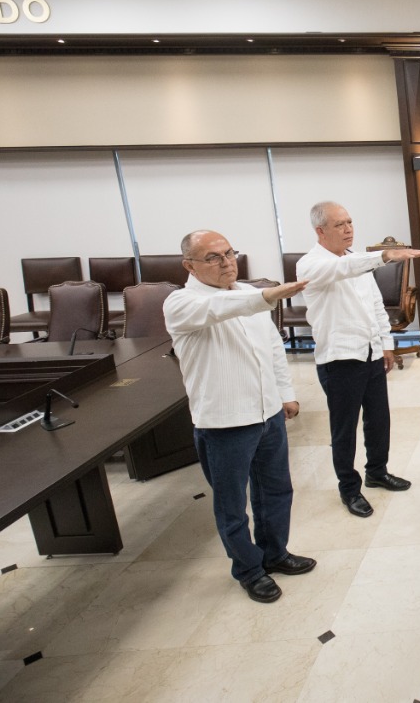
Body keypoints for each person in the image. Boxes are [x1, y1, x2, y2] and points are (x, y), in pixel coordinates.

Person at [164, 230, 315, 603]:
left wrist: (285, 394)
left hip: (267, 413)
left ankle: (275, 553)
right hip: (224, 423)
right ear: (189, 266)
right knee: (232, 505)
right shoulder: (181, 303)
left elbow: (273, 348)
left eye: (229, 253)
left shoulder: (247, 293)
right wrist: (266, 297)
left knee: (276, 490)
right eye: (213, 257)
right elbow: (219, 309)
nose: (226, 262)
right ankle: (249, 570)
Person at [297, 201, 420, 518]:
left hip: (370, 352)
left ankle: (377, 472)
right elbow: (342, 269)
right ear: (320, 231)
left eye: (350, 222)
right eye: (339, 224)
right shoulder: (311, 265)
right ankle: (349, 489)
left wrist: (386, 344)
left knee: (379, 419)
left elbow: (375, 306)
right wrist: (385, 256)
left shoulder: (356, 260)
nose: (348, 229)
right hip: (340, 359)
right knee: (344, 429)